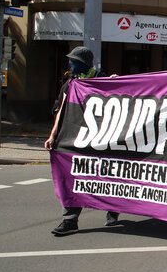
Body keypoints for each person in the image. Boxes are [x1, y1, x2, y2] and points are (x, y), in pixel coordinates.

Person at [46, 46, 120, 235]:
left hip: (99, 139)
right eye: (70, 61)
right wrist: (53, 135)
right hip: (73, 138)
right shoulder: (69, 84)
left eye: (74, 61)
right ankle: (70, 219)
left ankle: (113, 207)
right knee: (73, 177)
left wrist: (113, 83)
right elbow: (61, 109)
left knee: (105, 175)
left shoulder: (99, 78)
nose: (70, 64)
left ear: (83, 63)